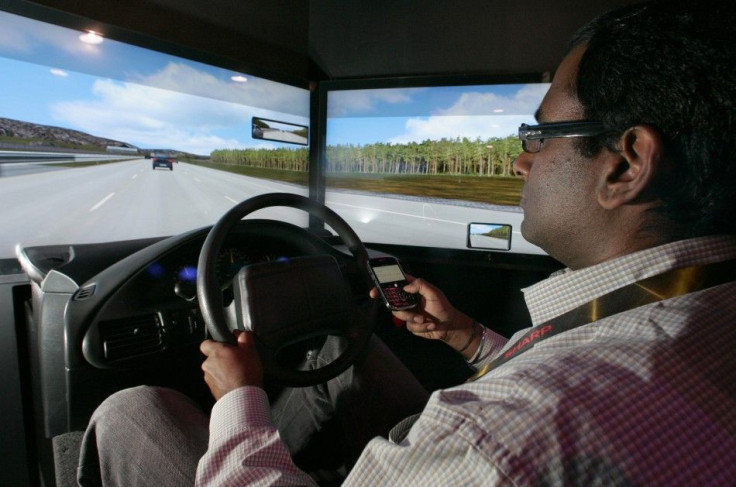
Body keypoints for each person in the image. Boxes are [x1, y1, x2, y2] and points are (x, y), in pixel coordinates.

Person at [78, 0, 736, 485]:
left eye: (540, 136)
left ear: (625, 165)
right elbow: (580, 366)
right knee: (343, 348)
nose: (520, 161)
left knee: (131, 410)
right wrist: (469, 339)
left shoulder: (498, 435)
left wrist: (238, 400)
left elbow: (521, 424)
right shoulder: (704, 310)